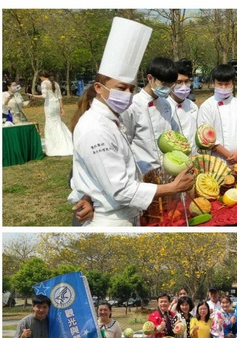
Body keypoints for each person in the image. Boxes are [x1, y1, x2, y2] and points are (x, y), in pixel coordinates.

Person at [69, 18, 194, 227]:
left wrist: (89, 196)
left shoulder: (112, 120)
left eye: (130, 89)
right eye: (120, 88)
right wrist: (171, 188)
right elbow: (119, 189)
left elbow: (107, 172)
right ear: (99, 88)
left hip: (133, 205)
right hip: (111, 218)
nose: (127, 94)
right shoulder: (95, 129)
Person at [122, 57, 181, 173]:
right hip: (143, 171)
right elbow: (125, 143)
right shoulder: (133, 106)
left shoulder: (166, 104)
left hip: (166, 170)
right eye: (164, 84)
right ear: (150, 78)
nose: (168, 89)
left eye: (171, 85)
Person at [197, 64, 237, 164]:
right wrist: (229, 156)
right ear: (214, 82)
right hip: (217, 160)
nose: (223, 87)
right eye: (220, 84)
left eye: (227, 84)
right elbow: (207, 139)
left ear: (233, 83)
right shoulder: (207, 106)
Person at [29, 70, 74, 156]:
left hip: (49, 106)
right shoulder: (55, 83)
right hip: (56, 105)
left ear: (42, 76)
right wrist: (62, 108)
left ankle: (54, 145)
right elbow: (60, 96)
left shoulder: (44, 83)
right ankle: (65, 141)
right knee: (57, 122)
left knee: (50, 123)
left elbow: (44, 96)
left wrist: (33, 96)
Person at [169, 61, 200, 155]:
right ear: (170, 83)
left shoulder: (193, 106)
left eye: (186, 81)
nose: (183, 86)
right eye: (179, 82)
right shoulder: (165, 107)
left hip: (194, 157)